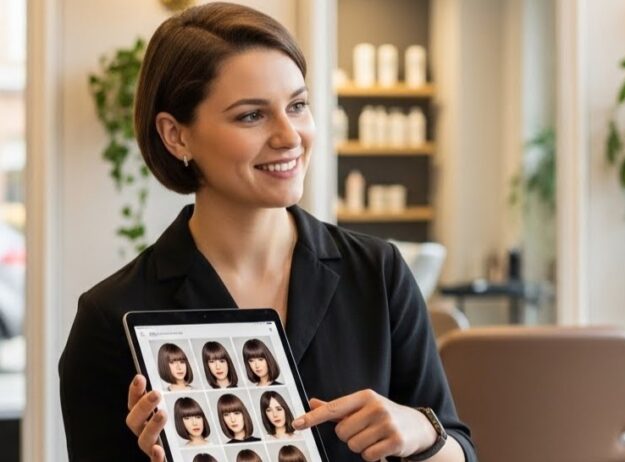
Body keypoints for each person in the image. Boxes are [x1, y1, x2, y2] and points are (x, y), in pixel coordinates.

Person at [58, 2, 474, 461]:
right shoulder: (110, 317)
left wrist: (422, 433)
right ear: (176, 135)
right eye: (251, 116)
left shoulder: (378, 272)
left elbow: (459, 449)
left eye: (297, 105)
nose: (289, 136)